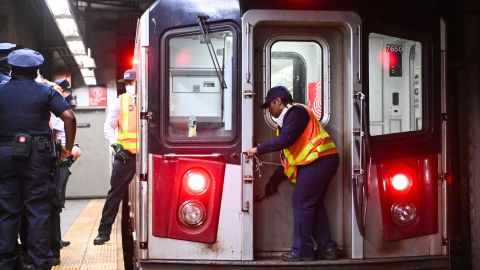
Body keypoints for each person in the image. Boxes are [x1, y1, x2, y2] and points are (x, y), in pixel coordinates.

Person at [0, 48, 76, 269]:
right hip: (37, 156)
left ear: (11, 69)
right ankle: (39, 261)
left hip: (5, 155)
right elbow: (69, 117)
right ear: (36, 70)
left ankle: (7, 261)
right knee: (38, 210)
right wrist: (67, 149)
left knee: (7, 210)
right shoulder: (46, 92)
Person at [245, 86, 339, 261]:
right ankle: (327, 248)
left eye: (269, 106)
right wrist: (273, 182)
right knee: (313, 204)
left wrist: (258, 149)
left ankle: (303, 251)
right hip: (322, 161)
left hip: (319, 161)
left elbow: (286, 140)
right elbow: (288, 159)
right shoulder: (288, 122)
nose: (269, 111)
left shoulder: (296, 112)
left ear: (278, 101)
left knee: (302, 202)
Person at [94, 69, 137, 245]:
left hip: (148, 156)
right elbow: (108, 126)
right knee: (114, 194)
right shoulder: (120, 101)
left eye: (132, 83)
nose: (130, 86)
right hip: (125, 156)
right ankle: (104, 233)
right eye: (127, 84)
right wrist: (115, 145)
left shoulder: (152, 100)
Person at [48, 78, 82, 265]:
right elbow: (64, 124)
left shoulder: (50, 99)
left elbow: (62, 129)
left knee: (55, 203)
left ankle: (54, 244)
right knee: (51, 204)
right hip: (49, 160)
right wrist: (69, 148)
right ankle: (50, 247)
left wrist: (71, 147)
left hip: (55, 158)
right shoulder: (47, 96)